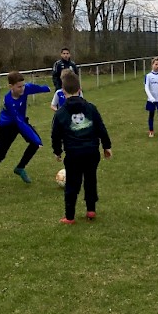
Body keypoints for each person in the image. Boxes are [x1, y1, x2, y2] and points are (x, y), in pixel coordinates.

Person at [51, 72, 112, 224]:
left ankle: (70, 217)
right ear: (79, 89)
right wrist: (106, 146)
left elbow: (55, 135)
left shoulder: (60, 113)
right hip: (92, 152)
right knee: (90, 180)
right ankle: (91, 210)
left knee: (72, 184)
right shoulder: (91, 108)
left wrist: (57, 151)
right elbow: (101, 128)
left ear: (63, 91)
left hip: (74, 154)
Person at [0, 70, 50, 187]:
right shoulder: (9, 100)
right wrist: (35, 138)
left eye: (23, 85)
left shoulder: (25, 89)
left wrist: (47, 88)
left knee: (34, 144)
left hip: (20, 121)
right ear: (11, 86)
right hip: (7, 126)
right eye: (19, 87)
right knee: (1, 154)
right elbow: (19, 122)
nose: (22, 89)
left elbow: (36, 88)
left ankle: (20, 168)